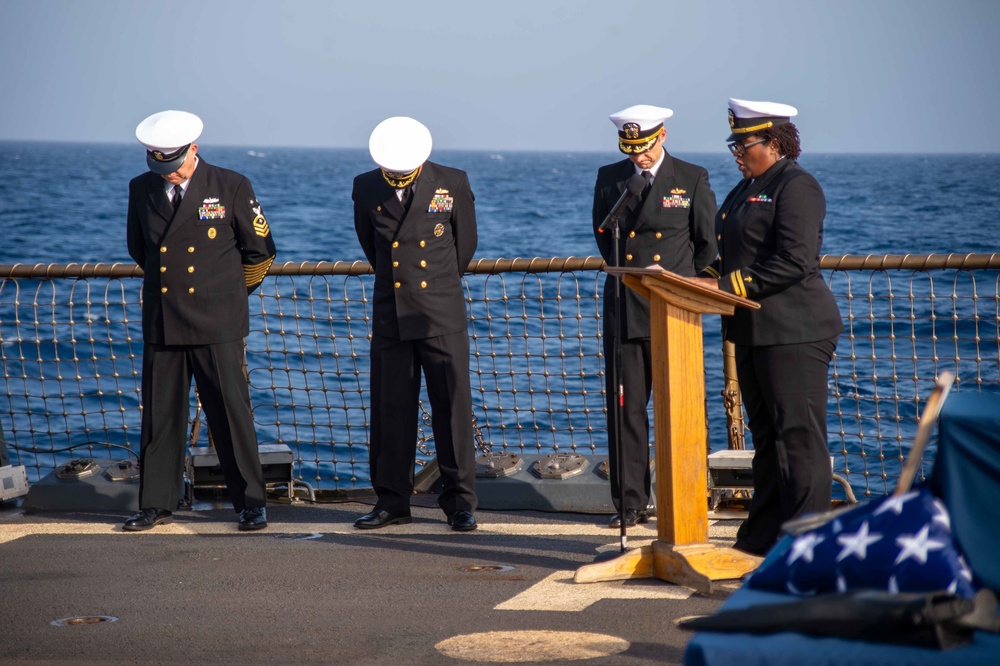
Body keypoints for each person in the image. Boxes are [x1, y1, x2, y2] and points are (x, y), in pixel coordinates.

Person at [692, 98, 844, 555]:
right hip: (755, 330)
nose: (737, 152)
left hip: (795, 329)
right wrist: (700, 278)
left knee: (798, 440)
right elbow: (738, 252)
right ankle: (764, 537)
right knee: (767, 442)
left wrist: (727, 284)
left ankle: (806, 543)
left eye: (745, 143)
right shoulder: (748, 186)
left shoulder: (796, 186)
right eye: (733, 143)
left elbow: (796, 261)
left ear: (775, 142)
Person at [124, 110, 276, 532]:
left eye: (173, 165)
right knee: (160, 416)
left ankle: (250, 504)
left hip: (218, 322)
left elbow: (261, 251)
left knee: (231, 414)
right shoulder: (141, 189)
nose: (168, 175)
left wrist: (227, 296)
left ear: (193, 149)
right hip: (164, 320)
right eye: (160, 166)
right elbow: (141, 249)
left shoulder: (230, 185)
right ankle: (156, 503)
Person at [593, 105, 718, 528]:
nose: (639, 158)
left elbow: (708, 248)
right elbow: (602, 236)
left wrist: (688, 290)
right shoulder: (610, 178)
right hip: (626, 309)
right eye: (631, 150)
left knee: (681, 408)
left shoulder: (690, 177)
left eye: (644, 148)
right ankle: (629, 505)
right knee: (625, 410)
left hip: (674, 310)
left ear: (661, 136)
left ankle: (687, 496)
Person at [351, 116, 479, 531]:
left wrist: (435, 289)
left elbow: (465, 246)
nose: (397, 177)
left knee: (452, 408)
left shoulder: (452, 182)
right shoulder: (366, 186)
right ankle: (392, 501)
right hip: (393, 312)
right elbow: (372, 248)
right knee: (391, 410)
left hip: (440, 311)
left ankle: (460, 503)